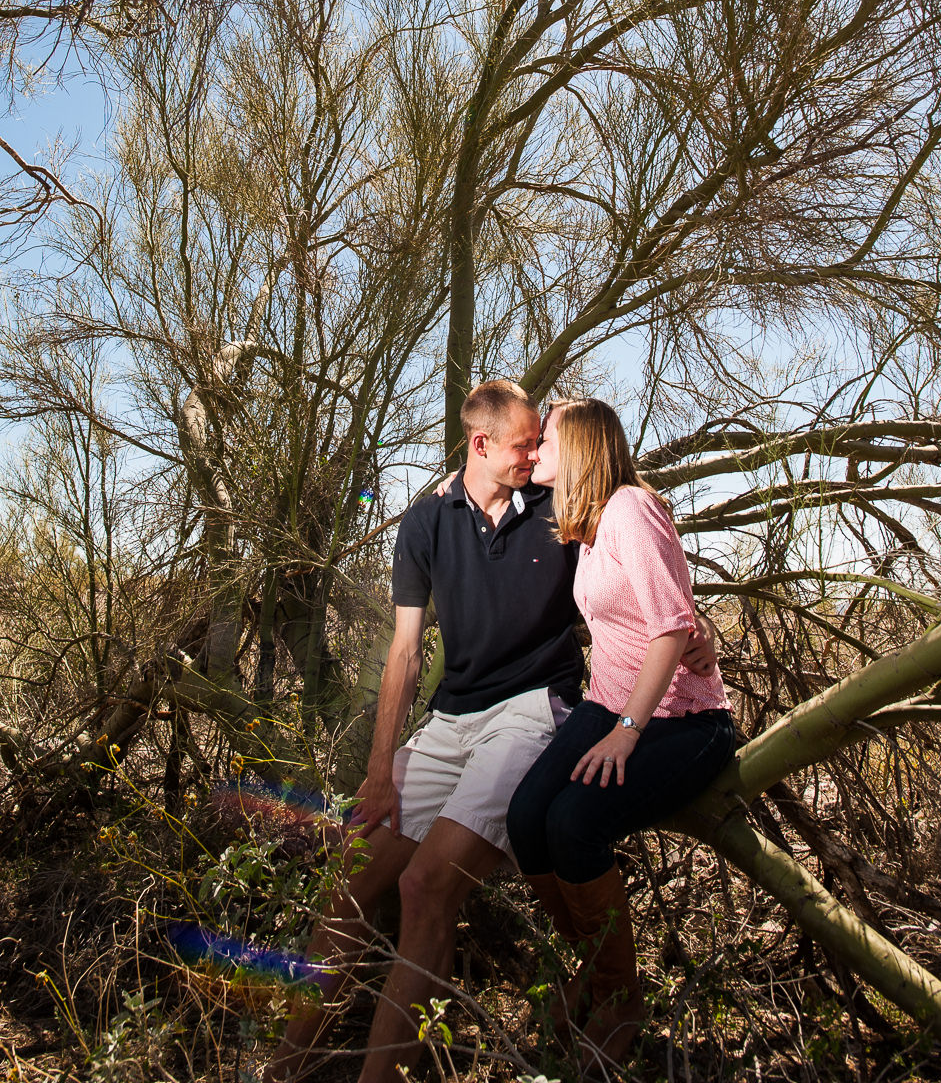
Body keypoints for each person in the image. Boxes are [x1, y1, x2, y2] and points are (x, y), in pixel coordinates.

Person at [266, 380, 717, 1083]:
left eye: (544, 441)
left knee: (425, 888)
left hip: (535, 709)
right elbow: (406, 651)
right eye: (524, 443)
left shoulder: (556, 503)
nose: (536, 453)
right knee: (350, 887)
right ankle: (285, 1069)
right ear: (481, 444)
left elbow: (644, 573)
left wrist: (699, 629)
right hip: (449, 719)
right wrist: (380, 768)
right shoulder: (425, 523)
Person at [505, 399, 735, 1072]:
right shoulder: (584, 522)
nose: (532, 451)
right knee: (526, 820)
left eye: (541, 440)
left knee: (574, 823)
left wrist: (627, 733)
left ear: (576, 446)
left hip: (683, 720)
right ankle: (593, 965)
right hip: (608, 705)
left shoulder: (631, 508)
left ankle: (620, 995)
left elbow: (670, 627)